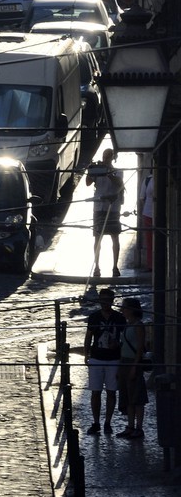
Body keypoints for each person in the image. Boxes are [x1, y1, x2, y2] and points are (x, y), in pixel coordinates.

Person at [83, 285, 125, 435]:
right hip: (96, 358)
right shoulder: (94, 317)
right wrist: (86, 354)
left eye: (108, 300)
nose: (105, 303)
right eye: (103, 300)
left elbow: (124, 339)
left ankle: (107, 422)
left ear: (112, 301)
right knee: (96, 392)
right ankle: (96, 422)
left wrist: (118, 346)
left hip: (114, 359)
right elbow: (88, 336)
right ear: (99, 301)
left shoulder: (119, 318)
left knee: (112, 392)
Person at [86, 147, 124, 279]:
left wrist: (108, 172)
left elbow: (119, 183)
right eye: (104, 156)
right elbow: (88, 183)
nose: (105, 158)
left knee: (115, 236)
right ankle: (96, 266)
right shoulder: (98, 170)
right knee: (97, 237)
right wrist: (91, 171)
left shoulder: (118, 171)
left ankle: (115, 266)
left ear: (113, 157)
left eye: (108, 156)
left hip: (112, 208)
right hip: (98, 207)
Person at [117, 296, 148, 440]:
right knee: (127, 396)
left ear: (131, 310)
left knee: (137, 397)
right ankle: (130, 426)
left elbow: (141, 347)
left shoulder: (138, 326)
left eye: (124, 307)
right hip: (124, 362)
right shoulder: (127, 325)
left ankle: (139, 428)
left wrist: (135, 367)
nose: (122, 310)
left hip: (133, 363)